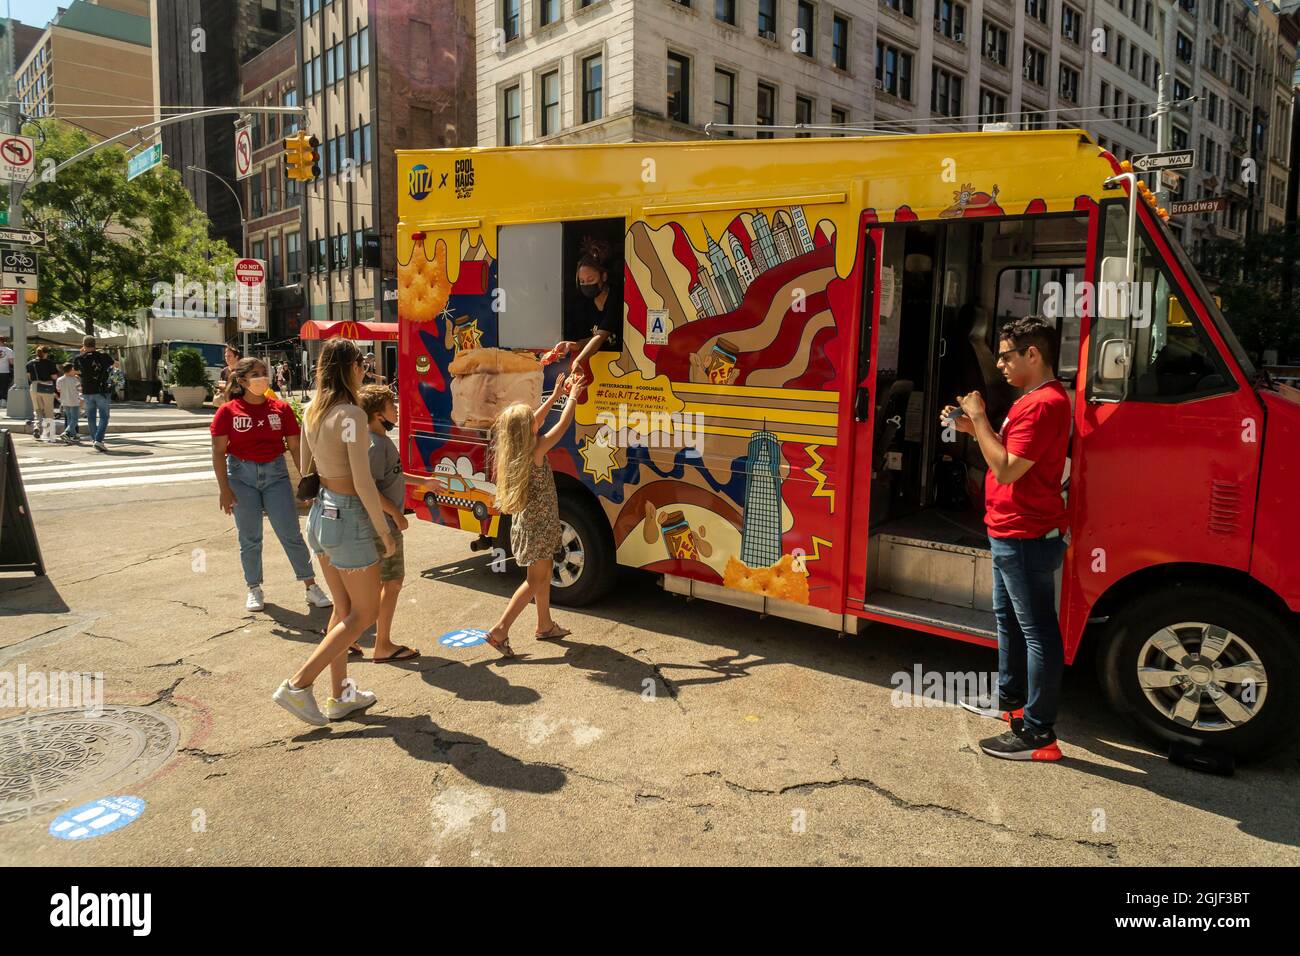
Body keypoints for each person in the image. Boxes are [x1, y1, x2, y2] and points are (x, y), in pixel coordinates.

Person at [940, 316, 1072, 762]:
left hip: (1025, 534)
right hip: (1010, 530)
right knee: (1010, 622)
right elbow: (1008, 455)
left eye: (1006, 355)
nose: (999, 364)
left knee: (1036, 633)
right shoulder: (1033, 400)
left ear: (1032, 354)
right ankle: (1011, 705)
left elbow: (1007, 469)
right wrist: (972, 428)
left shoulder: (1042, 405)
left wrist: (978, 417)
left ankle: (1038, 734)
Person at [272, 338, 394, 726]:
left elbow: (308, 470)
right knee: (363, 614)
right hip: (349, 518)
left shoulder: (311, 409)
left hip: (321, 516)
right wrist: (385, 533)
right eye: (361, 361)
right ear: (349, 367)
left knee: (343, 612)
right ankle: (298, 684)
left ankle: (340, 694)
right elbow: (361, 482)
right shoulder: (352, 415)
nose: (365, 367)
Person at [211, 357, 334, 614]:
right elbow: (218, 451)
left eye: (263, 373)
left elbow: (295, 445)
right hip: (241, 477)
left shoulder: (281, 408)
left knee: (290, 533)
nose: (262, 378)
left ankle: (310, 586)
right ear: (242, 380)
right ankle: (254, 588)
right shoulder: (228, 411)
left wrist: (307, 478)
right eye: (255, 374)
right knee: (250, 538)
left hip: (275, 475)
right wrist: (224, 489)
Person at [484, 371, 584, 657]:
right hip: (538, 525)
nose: (538, 422)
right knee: (535, 580)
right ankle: (500, 630)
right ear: (528, 430)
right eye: (533, 423)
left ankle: (544, 624)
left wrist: (554, 396)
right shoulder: (537, 449)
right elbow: (561, 426)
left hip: (531, 524)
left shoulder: (517, 448)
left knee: (539, 575)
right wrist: (572, 396)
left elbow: (534, 422)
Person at [348, 384, 416, 663]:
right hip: (383, 525)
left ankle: (348, 638)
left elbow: (393, 477)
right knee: (392, 582)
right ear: (378, 414)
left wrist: (424, 482)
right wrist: (397, 515)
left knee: (370, 585)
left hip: (379, 524)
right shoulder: (376, 445)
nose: (397, 409)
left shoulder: (377, 441)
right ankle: (383, 644)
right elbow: (370, 488)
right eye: (392, 406)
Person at [551, 237, 622, 375]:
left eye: (591, 280)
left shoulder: (615, 299)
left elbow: (600, 337)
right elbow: (591, 338)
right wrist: (574, 345)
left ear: (604, 276)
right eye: (582, 281)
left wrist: (578, 360)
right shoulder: (583, 304)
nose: (586, 285)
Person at [73, 336, 115, 452]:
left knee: (91, 417)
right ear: (95, 344)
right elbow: (113, 364)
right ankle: (98, 440)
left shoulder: (79, 358)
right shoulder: (103, 356)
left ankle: (94, 439)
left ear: (83, 345)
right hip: (102, 390)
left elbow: (76, 371)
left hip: (87, 390)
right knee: (104, 416)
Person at [26, 346, 60, 442]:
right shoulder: (50, 363)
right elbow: (54, 376)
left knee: (38, 409)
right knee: (48, 410)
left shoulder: (30, 363)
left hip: (34, 387)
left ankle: (37, 426)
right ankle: (49, 434)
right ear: (46, 353)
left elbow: (29, 377)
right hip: (46, 387)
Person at [56, 363, 82, 443]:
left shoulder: (59, 379)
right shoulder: (75, 379)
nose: (74, 371)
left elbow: (58, 390)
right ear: (70, 370)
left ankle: (74, 435)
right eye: (73, 369)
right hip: (74, 401)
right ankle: (66, 432)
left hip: (64, 401)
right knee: (74, 419)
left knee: (70, 418)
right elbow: (80, 389)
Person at [0, 335, 14, 406]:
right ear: (3, 341)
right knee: (4, 387)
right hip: (5, 371)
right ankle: (3, 402)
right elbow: (12, 362)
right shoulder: (8, 350)